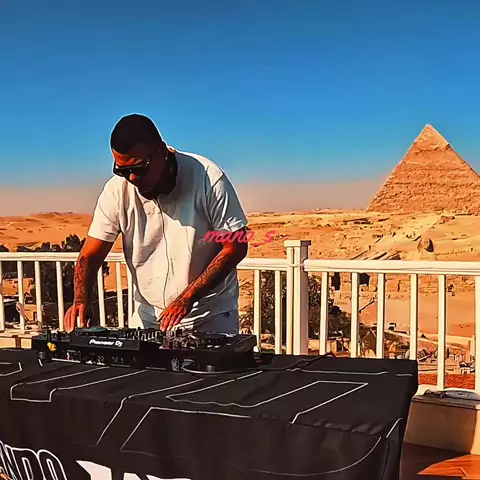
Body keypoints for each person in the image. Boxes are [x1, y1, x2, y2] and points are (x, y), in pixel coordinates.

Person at [64, 114, 249, 333]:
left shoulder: (208, 177)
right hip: (148, 319)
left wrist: (187, 298)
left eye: (139, 168)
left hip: (210, 317)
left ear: (162, 151)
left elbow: (235, 247)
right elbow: (90, 255)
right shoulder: (115, 191)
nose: (131, 178)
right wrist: (81, 300)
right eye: (122, 171)